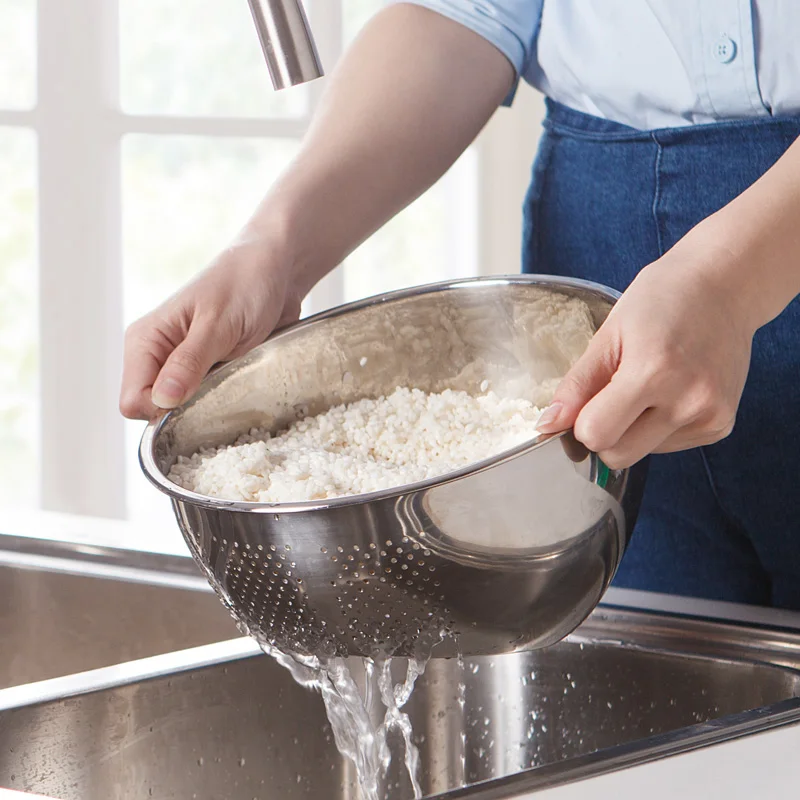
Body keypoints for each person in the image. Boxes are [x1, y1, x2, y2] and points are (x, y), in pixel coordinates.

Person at [120, 2, 800, 609]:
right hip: (603, 252)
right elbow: (460, 13)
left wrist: (731, 281)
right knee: (656, 720)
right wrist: (272, 246)